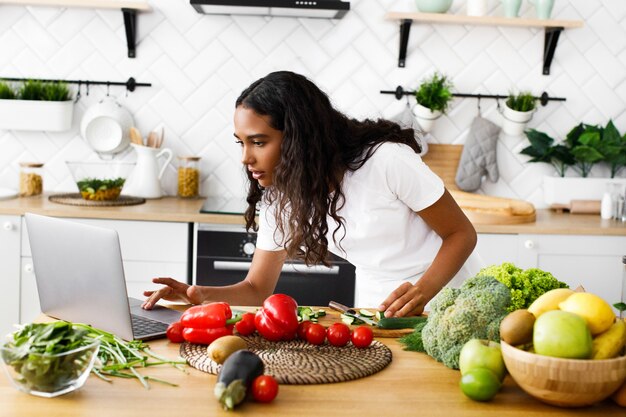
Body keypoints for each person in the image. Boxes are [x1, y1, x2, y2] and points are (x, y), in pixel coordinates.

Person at [142, 71, 477, 317]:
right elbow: (257, 290)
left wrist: (422, 293)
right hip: (378, 309)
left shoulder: (386, 161)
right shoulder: (282, 197)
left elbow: (461, 234)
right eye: (241, 143)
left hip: (449, 299)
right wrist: (196, 294)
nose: (246, 158)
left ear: (299, 137)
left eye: (258, 142)